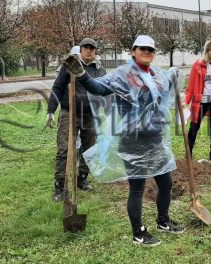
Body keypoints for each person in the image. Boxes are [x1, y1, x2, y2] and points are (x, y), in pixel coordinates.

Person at [63, 35, 184, 246]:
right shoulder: (123, 74)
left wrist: (174, 78)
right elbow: (98, 88)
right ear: (133, 51)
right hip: (134, 140)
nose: (147, 52)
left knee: (166, 184)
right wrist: (81, 74)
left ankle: (163, 221)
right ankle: (138, 233)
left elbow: (167, 94)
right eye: (142, 48)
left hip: (156, 138)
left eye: (150, 49)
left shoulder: (156, 75)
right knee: (137, 188)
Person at [47, 38, 106, 202]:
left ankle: (82, 179)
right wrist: (51, 110)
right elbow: (57, 87)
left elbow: (104, 91)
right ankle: (60, 186)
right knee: (64, 148)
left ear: (95, 52)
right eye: (86, 48)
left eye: (92, 49)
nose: (89, 51)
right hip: (69, 113)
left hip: (90, 115)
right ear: (80, 50)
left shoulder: (99, 70)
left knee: (89, 150)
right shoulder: (70, 65)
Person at [184, 39, 211, 161]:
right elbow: (191, 86)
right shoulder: (198, 65)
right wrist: (186, 101)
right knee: (194, 128)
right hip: (200, 101)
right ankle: (189, 153)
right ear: (207, 51)